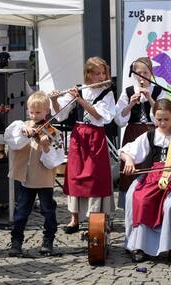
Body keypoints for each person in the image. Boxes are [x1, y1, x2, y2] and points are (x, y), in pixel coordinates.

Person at [120, 98, 171, 264]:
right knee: (139, 199)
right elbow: (126, 151)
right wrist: (129, 160)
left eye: (166, 119)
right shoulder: (150, 135)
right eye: (159, 119)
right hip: (151, 176)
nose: (162, 123)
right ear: (154, 117)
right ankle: (139, 246)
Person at [51, 56, 116, 234]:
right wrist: (55, 100)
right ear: (88, 75)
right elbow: (60, 115)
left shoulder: (107, 93)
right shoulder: (80, 89)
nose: (102, 77)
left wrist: (79, 100)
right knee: (75, 175)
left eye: (104, 73)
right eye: (97, 74)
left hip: (95, 136)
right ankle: (75, 218)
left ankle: (96, 216)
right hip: (79, 136)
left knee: (95, 177)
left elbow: (98, 115)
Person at [4, 91, 64, 257]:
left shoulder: (54, 133)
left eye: (38, 112)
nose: (34, 115)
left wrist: (45, 147)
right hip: (26, 178)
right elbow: (11, 141)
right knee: (21, 212)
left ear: (47, 112)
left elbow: (54, 161)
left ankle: (48, 240)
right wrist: (25, 134)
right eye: (31, 112)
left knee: (48, 211)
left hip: (44, 180)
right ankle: (16, 242)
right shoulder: (22, 126)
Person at [115, 57, 168, 208]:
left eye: (145, 72)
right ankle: (130, 206)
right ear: (134, 74)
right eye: (138, 73)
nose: (141, 76)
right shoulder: (128, 92)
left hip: (153, 133)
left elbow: (161, 116)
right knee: (131, 168)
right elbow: (119, 119)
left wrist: (150, 99)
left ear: (151, 73)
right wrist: (131, 104)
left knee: (150, 167)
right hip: (133, 132)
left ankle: (151, 203)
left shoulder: (158, 90)